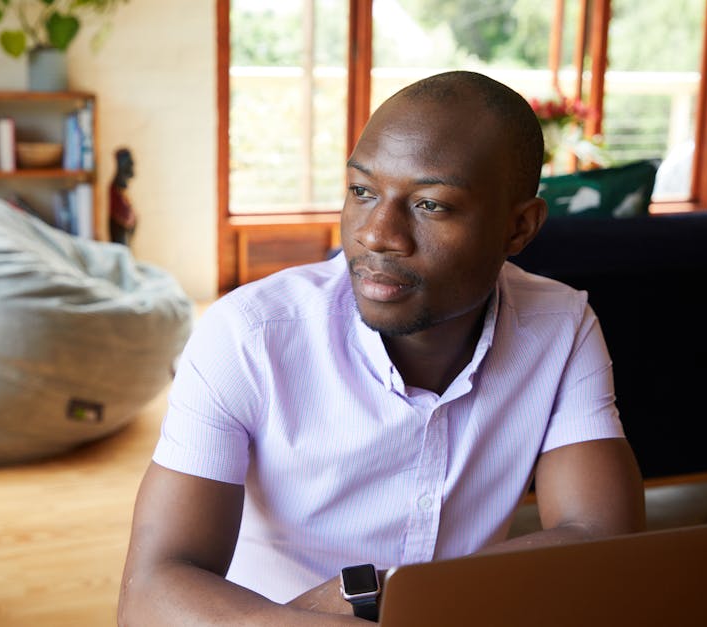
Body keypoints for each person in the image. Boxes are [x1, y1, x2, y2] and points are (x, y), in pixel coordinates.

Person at [118, 70, 645, 626]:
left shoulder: (561, 326)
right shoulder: (248, 336)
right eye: (362, 192)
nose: (377, 234)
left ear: (519, 229)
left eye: (431, 205)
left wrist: (375, 596)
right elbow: (149, 597)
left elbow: (601, 538)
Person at [109, 147, 137, 246]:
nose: (133, 166)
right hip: (120, 241)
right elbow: (126, 218)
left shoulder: (120, 190)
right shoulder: (115, 189)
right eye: (130, 163)